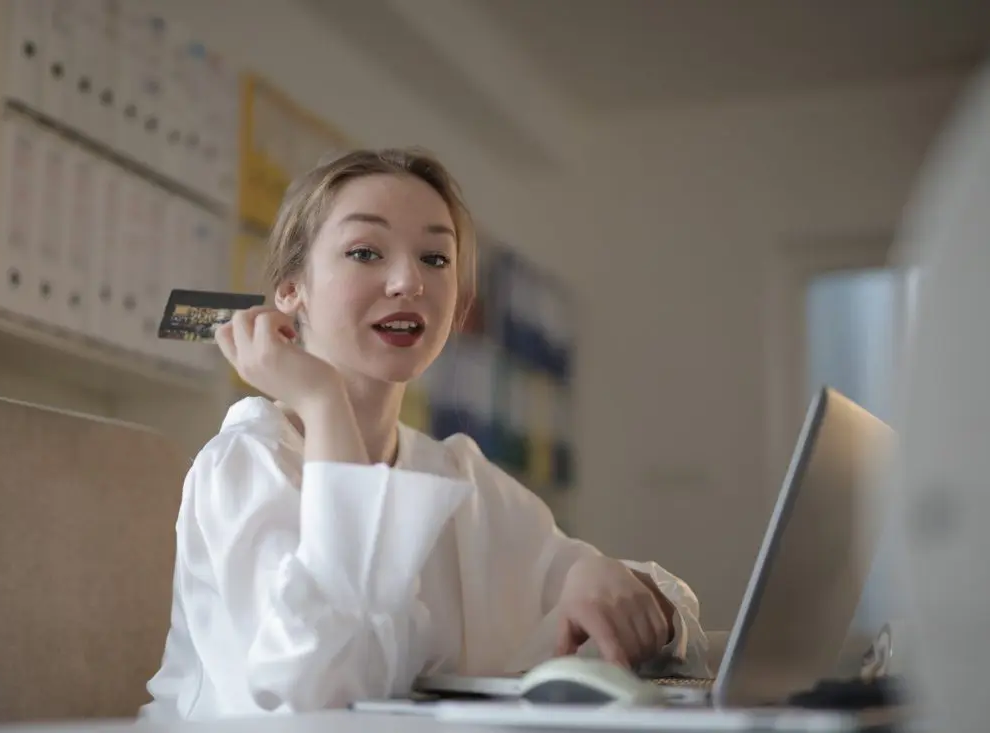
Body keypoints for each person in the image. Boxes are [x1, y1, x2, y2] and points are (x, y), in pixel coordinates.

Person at [141, 148, 711, 720]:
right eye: (365, 252)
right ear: (292, 291)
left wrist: (609, 579)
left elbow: (671, 615)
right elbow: (316, 693)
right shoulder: (246, 460)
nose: (408, 281)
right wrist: (323, 402)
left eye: (435, 258)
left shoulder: (458, 474)